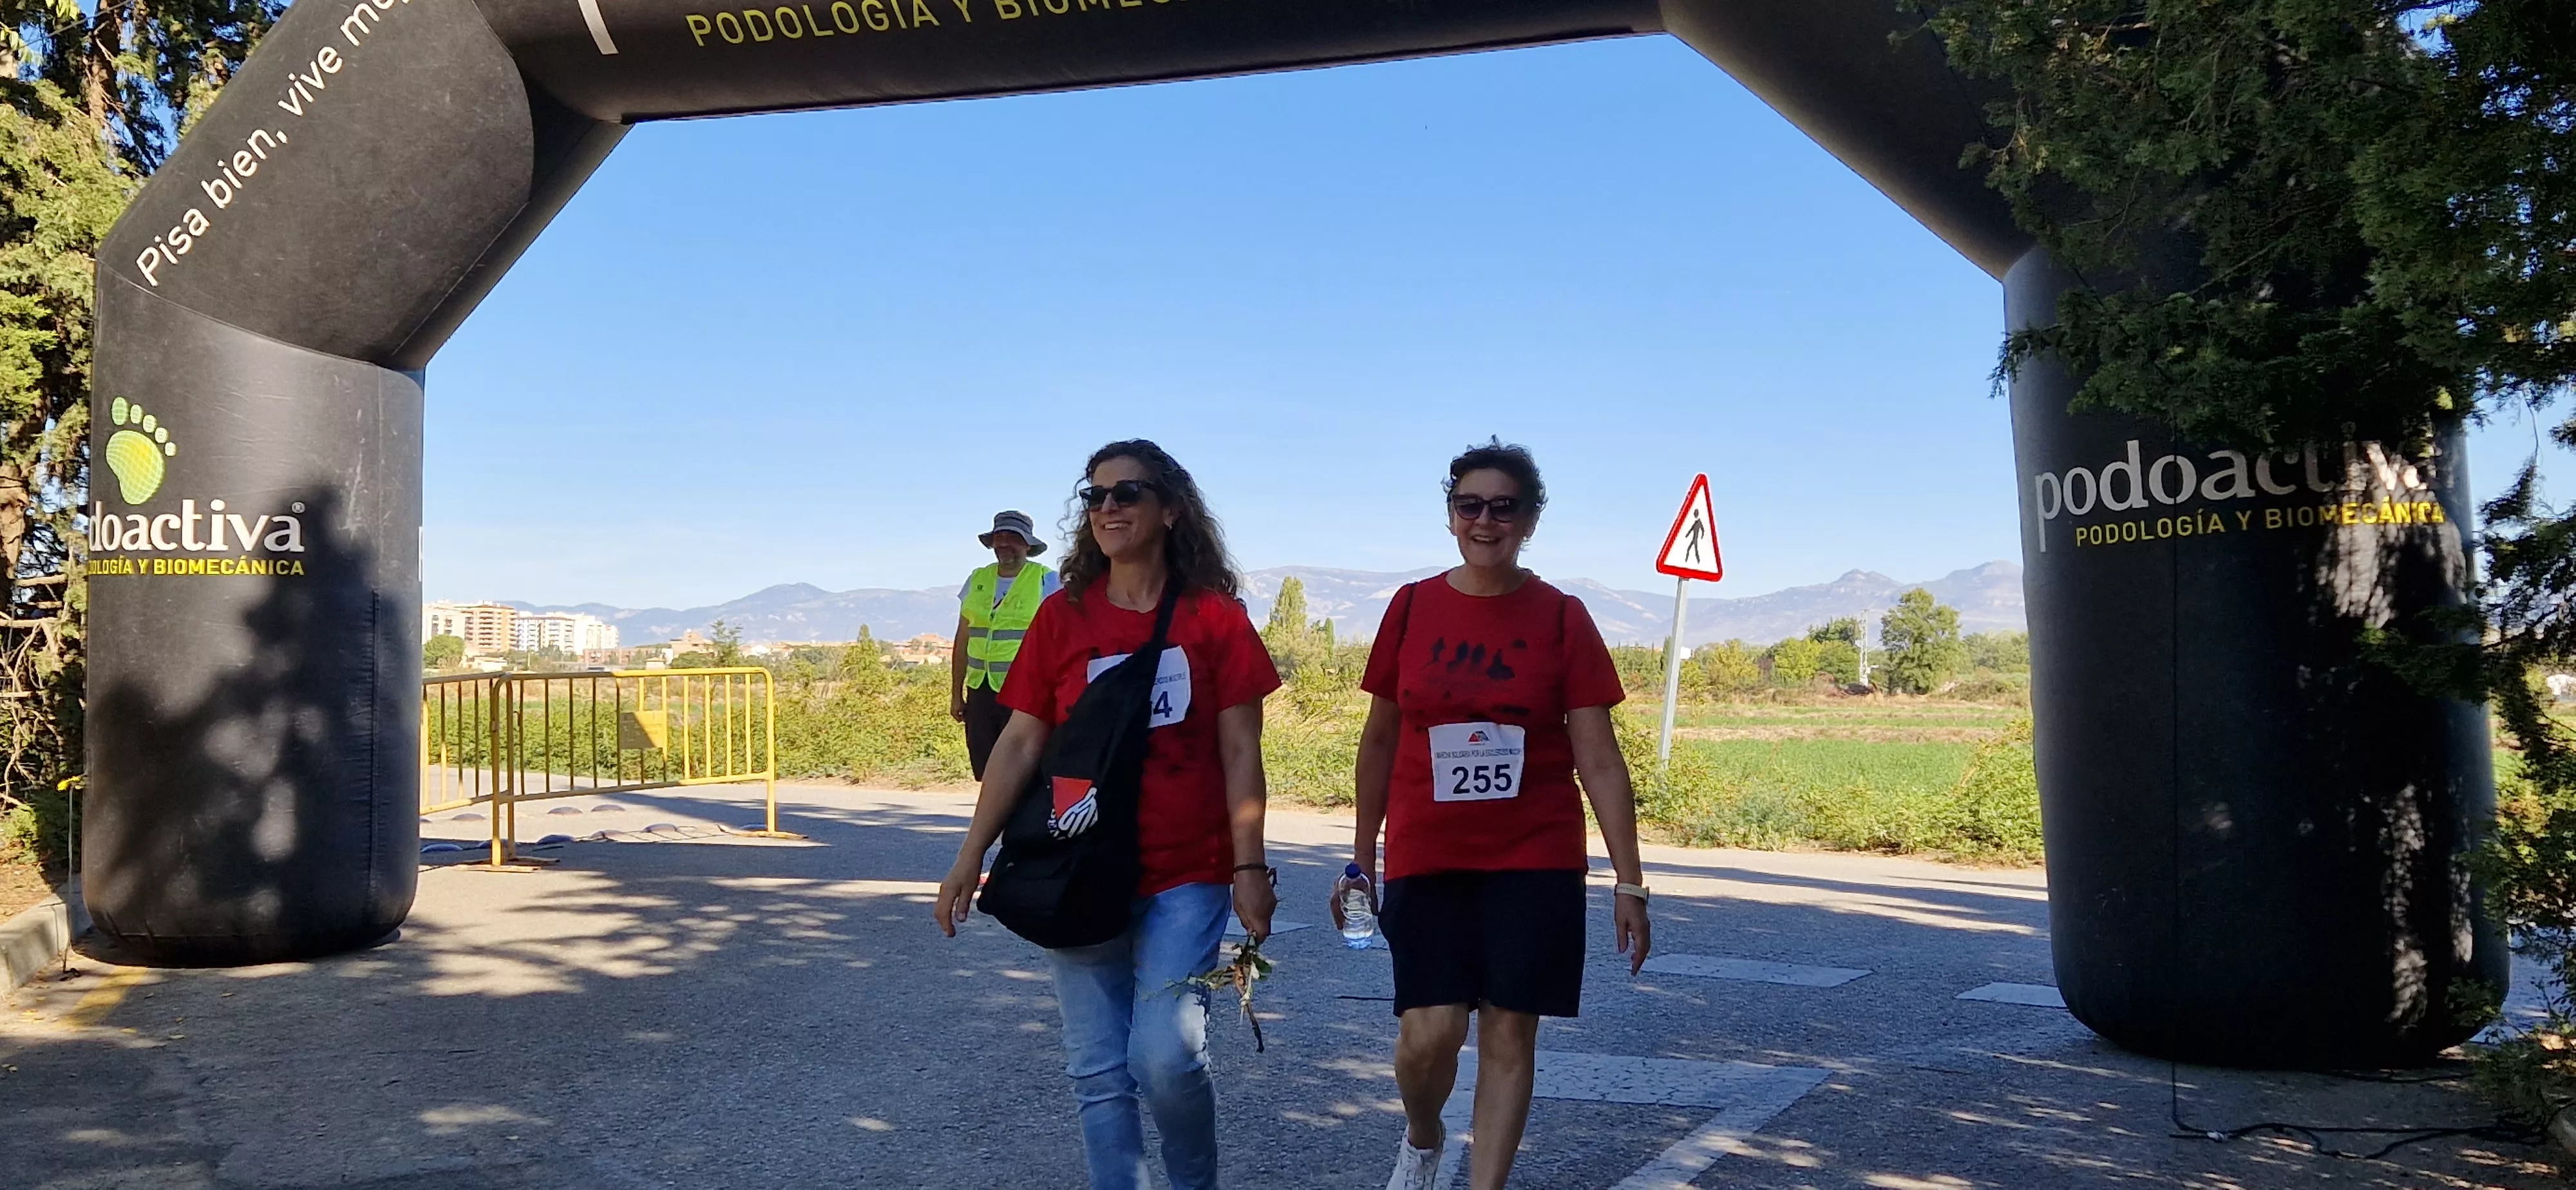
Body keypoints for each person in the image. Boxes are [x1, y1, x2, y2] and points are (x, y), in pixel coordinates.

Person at [934, 440, 1281, 1190]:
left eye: (1128, 493)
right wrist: (971, 854)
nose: (1108, 507)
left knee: (1165, 1054)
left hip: (1186, 870)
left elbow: (1240, 753)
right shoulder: (1063, 617)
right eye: (1094, 496)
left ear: (1171, 509)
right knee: (1097, 1069)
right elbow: (1022, 739)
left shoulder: (1214, 620)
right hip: (1079, 863)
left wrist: (1250, 866)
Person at [1352, 440, 1653, 1190]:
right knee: (1430, 1034)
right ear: (1451, 515)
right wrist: (1360, 858)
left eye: (1504, 507)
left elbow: (1600, 757)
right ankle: (1424, 1139)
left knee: (1511, 1031)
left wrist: (1630, 880)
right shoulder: (1412, 606)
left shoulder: (1560, 616)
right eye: (1469, 505)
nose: (1486, 521)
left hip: (1534, 853)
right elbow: (1380, 738)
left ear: (1530, 519)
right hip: (1430, 853)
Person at [952, 509, 1061, 779]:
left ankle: (1020, 822)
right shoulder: (977, 579)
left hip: (1026, 692)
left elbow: (1062, 640)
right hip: (981, 690)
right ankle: (995, 821)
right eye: (999, 537)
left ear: (1027, 544)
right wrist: (956, 692)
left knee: (1024, 768)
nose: (1003, 543)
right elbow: (963, 638)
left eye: (1013, 537)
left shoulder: (1048, 581)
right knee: (987, 769)